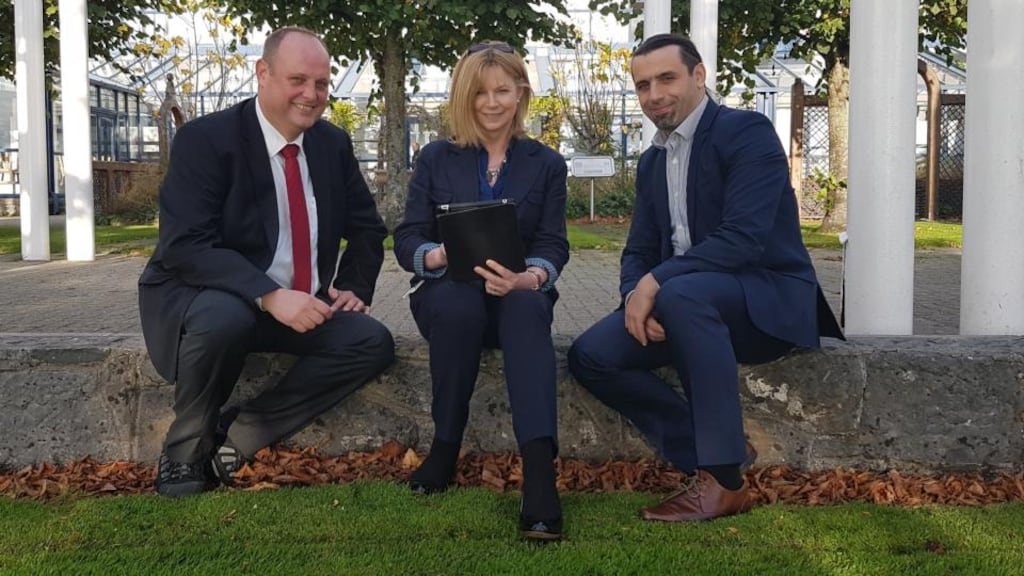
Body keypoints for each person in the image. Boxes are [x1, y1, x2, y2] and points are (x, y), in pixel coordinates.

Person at [568, 34, 843, 522]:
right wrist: (636, 291)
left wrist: (657, 286)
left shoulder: (747, 133)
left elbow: (743, 240)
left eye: (667, 78)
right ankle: (707, 449)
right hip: (687, 303)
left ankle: (723, 482)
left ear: (699, 76)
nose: (654, 95)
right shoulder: (654, 159)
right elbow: (637, 250)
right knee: (592, 355)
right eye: (643, 85)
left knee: (682, 293)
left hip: (763, 302)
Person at [139, 26, 395, 498]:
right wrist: (269, 294)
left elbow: (366, 229)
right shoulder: (206, 140)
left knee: (370, 341)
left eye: (321, 84)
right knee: (224, 317)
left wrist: (354, 286)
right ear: (262, 73)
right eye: (298, 79)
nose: (312, 94)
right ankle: (184, 450)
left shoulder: (331, 145)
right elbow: (185, 245)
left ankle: (244, 432)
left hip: (299, 303)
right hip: (211, 299)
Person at [393, 41, 569, 540]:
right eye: (479, 93)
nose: (491, 103)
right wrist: (439, 254)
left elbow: (554, 242)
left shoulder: (547, 164)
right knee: (456, 302)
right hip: (449, 290)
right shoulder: (435, 158)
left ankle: (539, 475)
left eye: (502, 91)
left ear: (520, 94)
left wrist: (529, 276)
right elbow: (406, 236)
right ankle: (445, 446)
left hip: (516, 291)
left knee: (525, 307)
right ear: (462, 97)